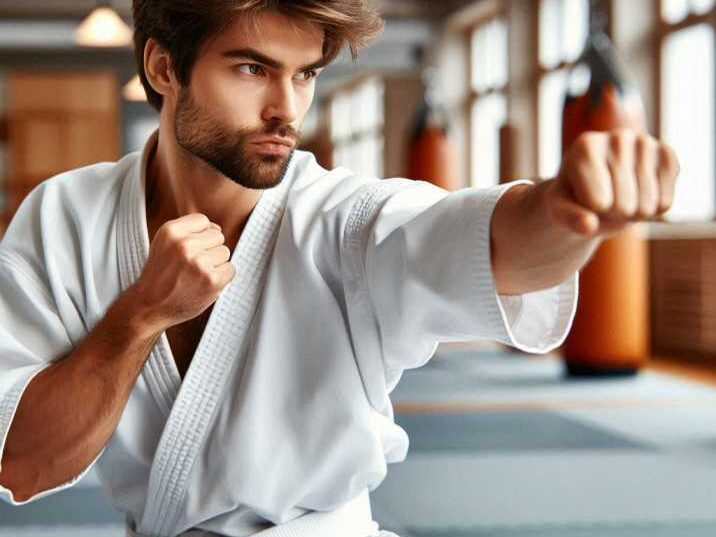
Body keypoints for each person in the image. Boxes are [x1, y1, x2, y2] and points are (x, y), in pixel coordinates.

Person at [0, 1, 679, 536]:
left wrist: (564, 210)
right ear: (163, 66)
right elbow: (23, 464)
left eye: (305, 74)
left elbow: (483, 242)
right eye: (251, 69)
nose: (287, 109)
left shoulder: (346, 221)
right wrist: (137, 315)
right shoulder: (65, 217)